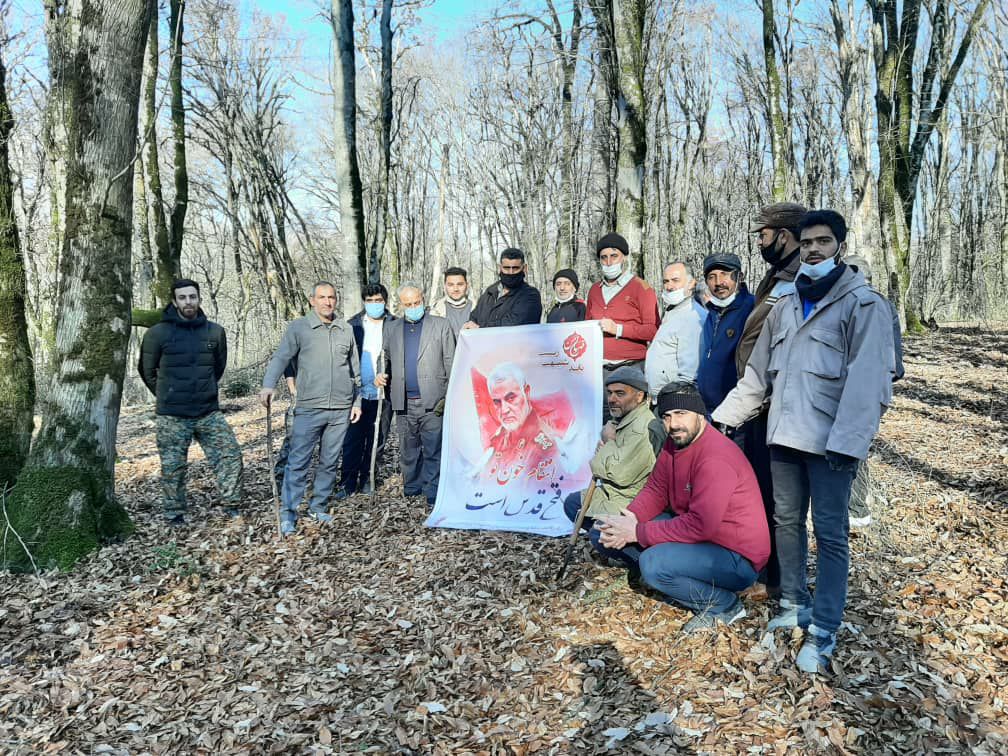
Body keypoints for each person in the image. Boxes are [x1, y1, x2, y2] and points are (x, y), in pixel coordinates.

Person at [712, 209, 896, 673]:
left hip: (832, 445)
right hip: (784, 437)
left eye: (823, 241)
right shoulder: (786, 304)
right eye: (808, 242)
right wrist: (721, 423)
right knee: (786, 522)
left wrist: (848, 443)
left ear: (839, 245)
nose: (814, 249)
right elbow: (758, 377)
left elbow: (870, 380)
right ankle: (793, 603)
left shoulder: (863, 304)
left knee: (831, 536)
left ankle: (825, 628)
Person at [593, 383, 769, 634]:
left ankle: (724, 605)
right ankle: (674, 577)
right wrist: (627, 520)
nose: (674, 424)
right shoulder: (675, 443)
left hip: (736, 557)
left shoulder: (715, 457)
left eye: (681, 414)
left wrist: (636, 533)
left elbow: (701, 525)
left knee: (653, 563)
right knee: (603, 530)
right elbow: (656, 489)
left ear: (699, 414)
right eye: (666, 416)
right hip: (703, 540)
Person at [734, 201, 806, 596]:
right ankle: (762, 568)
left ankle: (779, 580)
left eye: (763, 234)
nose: (759, 242)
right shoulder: (774, 277)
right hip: (753, 401)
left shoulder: (801, 278)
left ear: (783, 234)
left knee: (782, 502)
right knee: (759, 491)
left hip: (778, 403)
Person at [259, 282, 363, 536]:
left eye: (331, 297)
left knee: (329, 462)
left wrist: (357, 401)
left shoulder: (345, 329)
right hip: (308, 407)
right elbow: (282, 357)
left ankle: (318, 506)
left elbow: (355, 371)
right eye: (322, 297)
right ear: (312, 300)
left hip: (340, 409)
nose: (327, 302)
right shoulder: (299, 328)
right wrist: (268, 385)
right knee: (298, 462)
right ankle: (288, 514)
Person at [139, 279, 244, 526]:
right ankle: (174, 513)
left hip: (208, 411)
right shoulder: (157, 334)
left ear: (199, 299)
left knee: (230, 455)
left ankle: (232, 504)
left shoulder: (215, 332)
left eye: (192, 297)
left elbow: (218, 367)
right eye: (183, 297)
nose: (188, 302)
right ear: (174, 301)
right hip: (172, 414)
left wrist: (204, 391)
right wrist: (168, 393)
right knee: (173, 467)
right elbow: (146, 371)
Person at [377, 282, 455, 507]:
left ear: (423, 299)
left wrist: (448, 397)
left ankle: (433, 490)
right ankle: (412, 486)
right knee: (408, 448)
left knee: (433, 447)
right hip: (402, 400)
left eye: (417, 302)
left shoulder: (441, 325)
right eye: (408, 304)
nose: (413, 307)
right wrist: (380, 375)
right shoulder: (391, 328)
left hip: (433, 399)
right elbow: (386, 360)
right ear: (400, 305)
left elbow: (451, 362)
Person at [842, 254, 905, 528]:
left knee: (850, 447)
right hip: (871, 388)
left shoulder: (866, 304)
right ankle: (856, 505)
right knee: (855, 445)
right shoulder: (883, 303)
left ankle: (856, 510)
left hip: (859, 387)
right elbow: (897, 365)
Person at [563, 367, 665, 534]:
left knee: (599, 535)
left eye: (620, 393)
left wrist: (608, 441)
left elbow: (617, 475)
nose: (612, 399)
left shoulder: (642, 427)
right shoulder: (624, 418)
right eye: (609, 393)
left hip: (632, 501)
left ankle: (634, 552)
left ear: (639, 396)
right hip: (614, 494)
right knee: (573, 504)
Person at [585, 232, 659, 419]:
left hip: (630, 367)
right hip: (600, 369)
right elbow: (587, 326)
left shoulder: (641, 288)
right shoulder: (595, 290)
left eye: (614, 256)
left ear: (624, 257)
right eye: (604, 257)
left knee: (629, 419)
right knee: (602, 419)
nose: (609, 262)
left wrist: (617, 329)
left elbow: (652, 330)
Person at [337, 283, 397, 499]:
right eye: (370, 301)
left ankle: (368, 478)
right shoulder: (352, 325)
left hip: (383, 395)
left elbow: (397, 357)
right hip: (358, 395)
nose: (374, 305)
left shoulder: (394, 324)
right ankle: (347, 482)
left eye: (378, 300)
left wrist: (388, 374)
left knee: (377, 440)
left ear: (385, 301)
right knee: (352, 439)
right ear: (364, 302)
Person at [696, 253, 755, 414]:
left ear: (740, 277)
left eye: (725, 275)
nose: (718, 282)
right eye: (711, 277)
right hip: (708, 409)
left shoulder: (751, 309)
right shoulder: (712, 312)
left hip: (736, 411)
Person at [645, 262, 706, 399]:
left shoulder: (693, 316)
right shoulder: (673, 311)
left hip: (676, 400)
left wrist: (679, 401)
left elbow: (690, 373)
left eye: (675, 280)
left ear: (691, 284)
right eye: (666, 281)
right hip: (662, 397)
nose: (669, 286)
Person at [464, 248, 542, 329]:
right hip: (483, 341)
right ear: (500, 267)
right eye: (506, 268)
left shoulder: (530, 295)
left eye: (515, 268)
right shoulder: (491, 292)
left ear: (524, 268)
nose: (511, 272)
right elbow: (474, 317)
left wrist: (480, 327)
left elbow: (514, 324)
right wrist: (469, 325)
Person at [430, 266, 475, 337]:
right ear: (445, 286)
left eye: (460, 284)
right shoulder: (436, 311)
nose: (456, 289)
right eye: (451, 285)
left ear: (467, 285)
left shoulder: (476, 308)